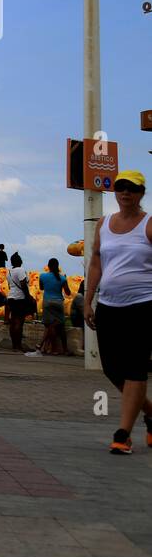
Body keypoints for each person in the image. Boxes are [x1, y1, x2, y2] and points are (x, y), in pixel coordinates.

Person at [84, 170, 152, 454]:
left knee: (135, 367)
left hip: (143, 305)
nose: (126, 193)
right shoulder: (104, 224)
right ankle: (150, 412)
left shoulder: (149, 224)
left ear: (141, 193)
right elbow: (97, 262)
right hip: (109, 306)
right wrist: (87, 301)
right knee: (113, 369)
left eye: (132, 189)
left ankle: (123, 434)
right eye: (121, 188)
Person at [37, 257, 71, 356]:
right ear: (58, 266)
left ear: (48, 266)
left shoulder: (42, 276)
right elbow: (68, 293)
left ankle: (52, 349)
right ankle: (64, 349)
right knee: (61, 326)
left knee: (49, 326)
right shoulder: (63, 278)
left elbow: (41, 288)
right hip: (58, 303)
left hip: (47, 302)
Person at [5, 251, 35, 352]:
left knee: (13, 321)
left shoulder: (9, 272)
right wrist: (28, 296)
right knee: (19, 322)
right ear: (20, 261)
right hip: (19, 298)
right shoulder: (21, 270)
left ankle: (14, 345)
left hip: (11, 297)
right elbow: (23, 284)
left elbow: (10, 286)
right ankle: (18, 345)